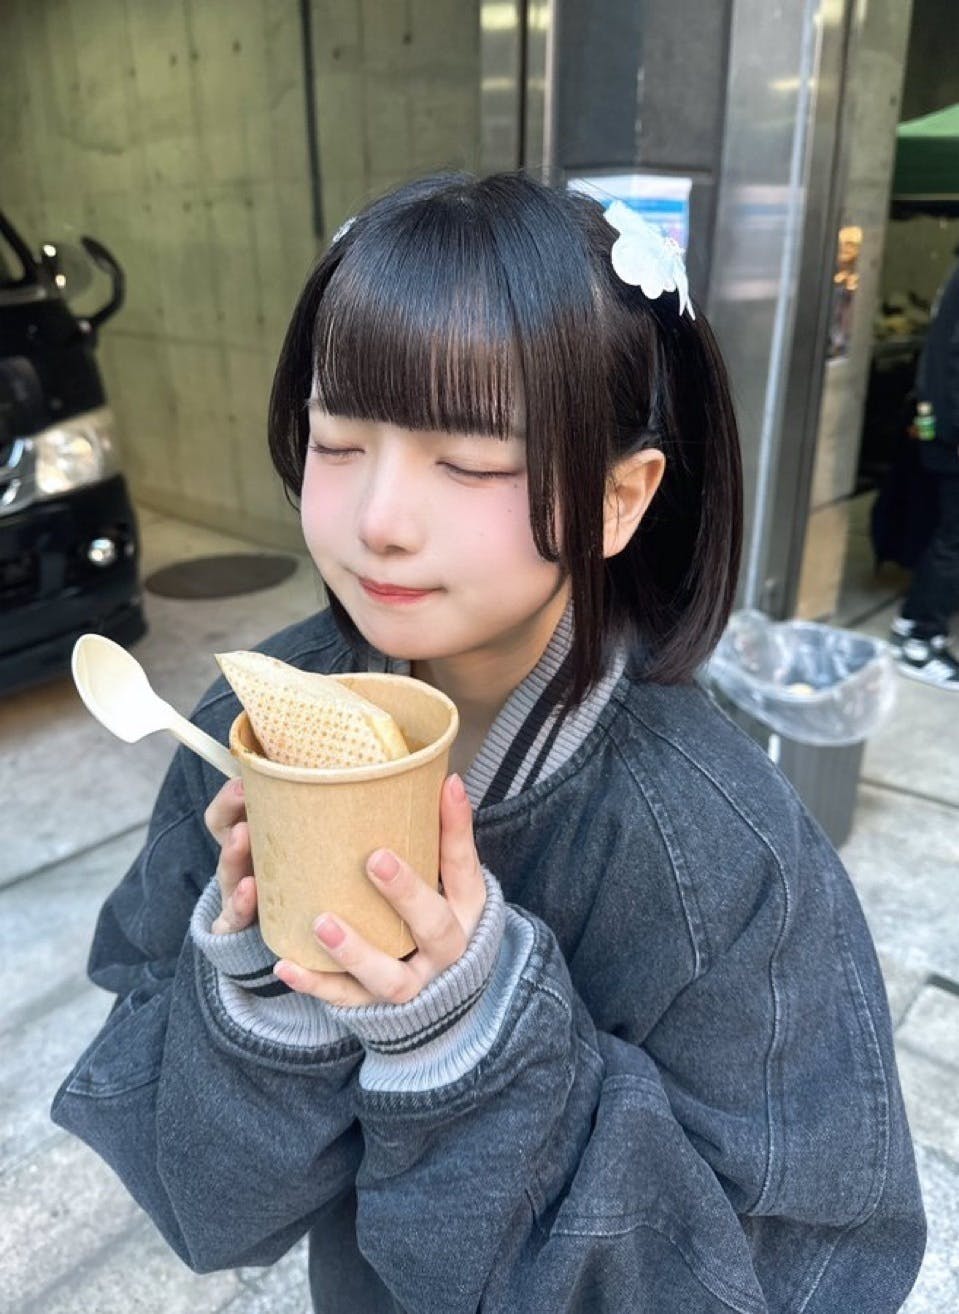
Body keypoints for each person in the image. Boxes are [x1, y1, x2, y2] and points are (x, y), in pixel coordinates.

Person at [52, 172, 925, 1313]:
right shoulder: (244, 729)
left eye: (468, 463)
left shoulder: (715, 855)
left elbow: (807, 1271)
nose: (378, 521)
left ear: (619, 498)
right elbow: (206, 1208)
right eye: (336, 441)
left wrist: (467, 1040)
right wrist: (262, 985)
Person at [890, 253, 959, 689]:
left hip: (943, 429)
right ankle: (919, 639)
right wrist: (948, 429)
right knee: (954, 539)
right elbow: (949, 360)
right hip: (950, 435)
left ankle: (915, 622)